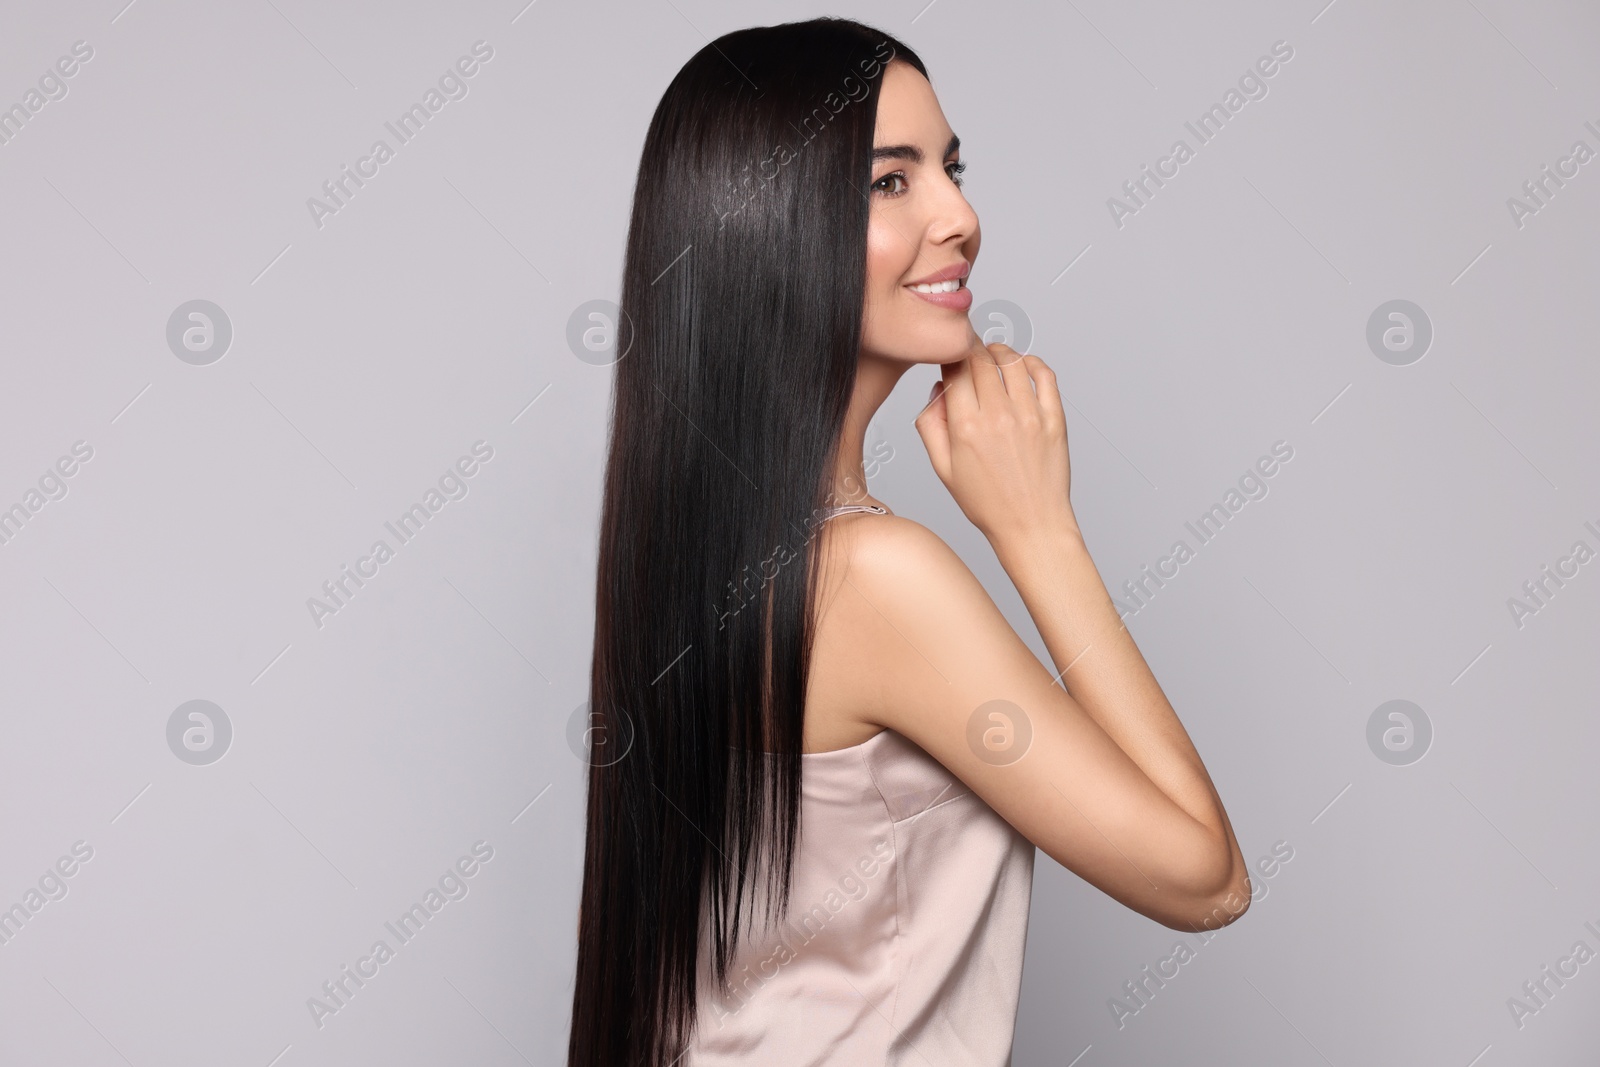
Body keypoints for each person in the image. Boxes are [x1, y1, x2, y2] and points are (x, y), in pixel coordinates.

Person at [568, 17, 1252, 1066]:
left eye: (951, 167)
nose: (962, 217)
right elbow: (1205, 881)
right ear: (767, 223)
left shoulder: (690, 557)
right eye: (890, 182)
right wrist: (1038, 530)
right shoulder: (873, 579)